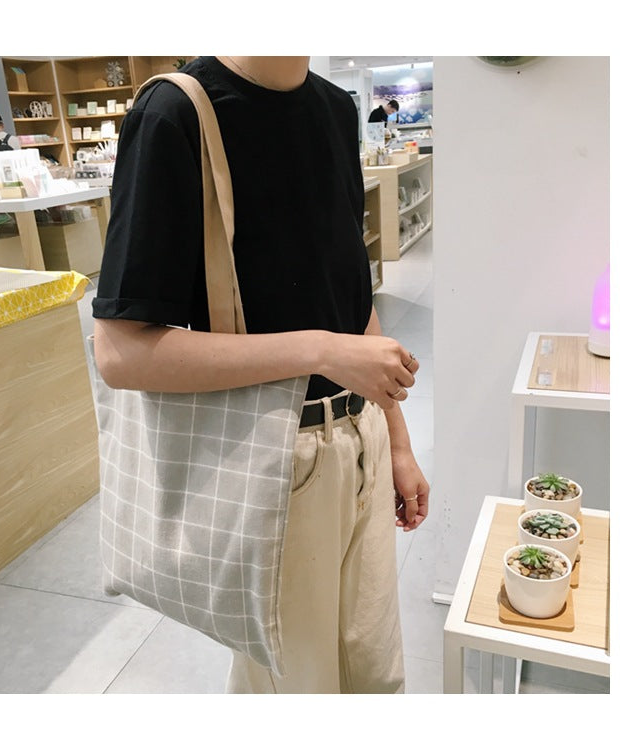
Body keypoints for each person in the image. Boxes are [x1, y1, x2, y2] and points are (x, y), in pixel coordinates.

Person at [92, 56, 429, 694]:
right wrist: (319, 351)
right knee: (293, 690)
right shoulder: (176, 113)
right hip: (275, 454)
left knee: (375, 674)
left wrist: (397, 441)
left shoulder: (335, 108)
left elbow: (349, 297)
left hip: (362, 437)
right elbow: (121, 353)